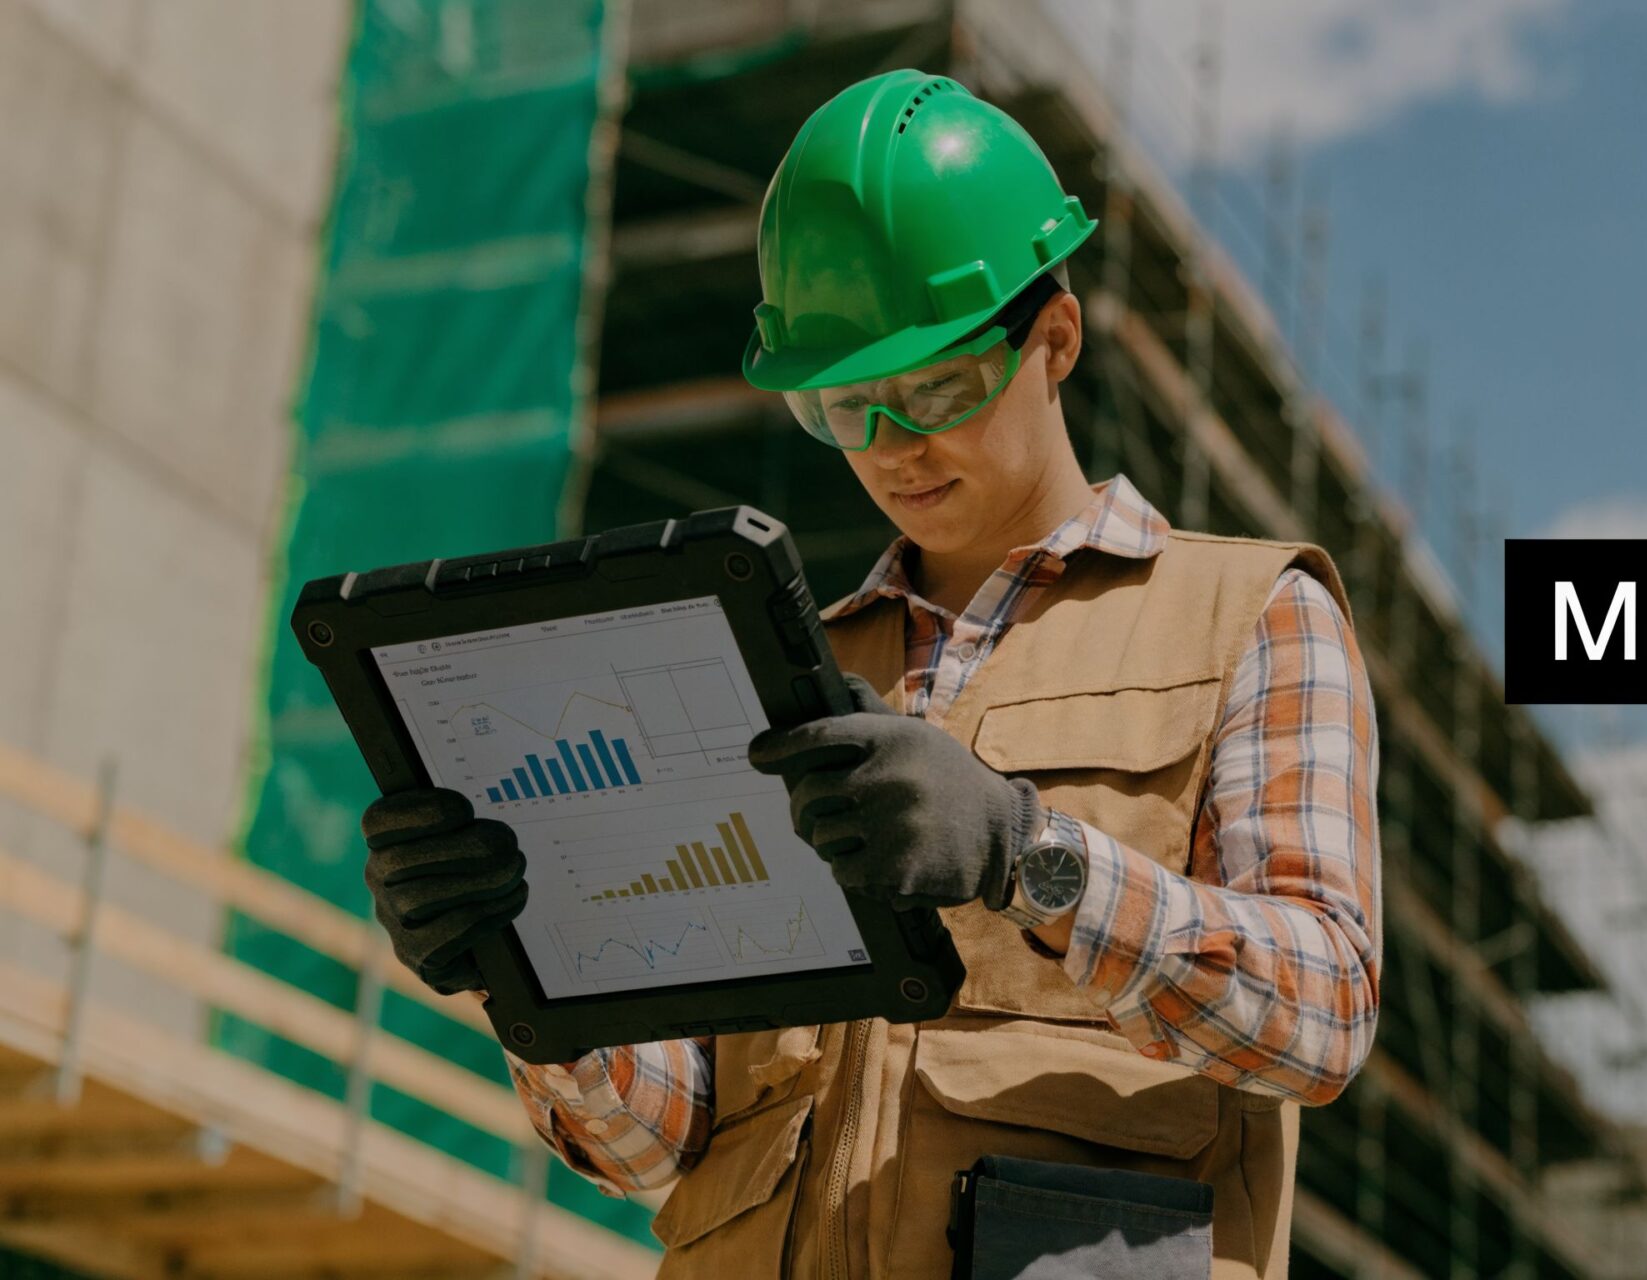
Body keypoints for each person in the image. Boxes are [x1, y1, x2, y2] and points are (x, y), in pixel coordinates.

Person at [356, 69, 1381, 1278]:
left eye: (934, 389)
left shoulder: (1251, 615)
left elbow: (1323, 1015)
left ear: (1053, 338)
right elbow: (657, 1144)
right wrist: (522, 962)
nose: (892, 446)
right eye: (844, 406)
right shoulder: (765, 675)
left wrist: (1025, 852)